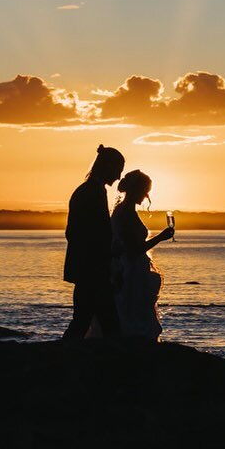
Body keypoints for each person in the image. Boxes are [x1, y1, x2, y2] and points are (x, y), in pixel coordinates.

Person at [62, 144, 124, 339]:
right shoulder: (90, 192)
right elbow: (77, 233)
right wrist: (106, 254)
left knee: (85, 320)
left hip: (89, 269)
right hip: (92, 270)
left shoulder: (92, 190)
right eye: (118, 170)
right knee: (104, 322)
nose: (119, 177)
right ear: (107, 167)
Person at [110, 169, 174, 340]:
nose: (147, 196)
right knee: (134, 315)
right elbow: (134, 250)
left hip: (132, 268)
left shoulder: (125, 211)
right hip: (130, 271)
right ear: (137, 190)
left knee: (134, 314)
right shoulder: (125, 213)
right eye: (145, 191)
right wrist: (160, 237)